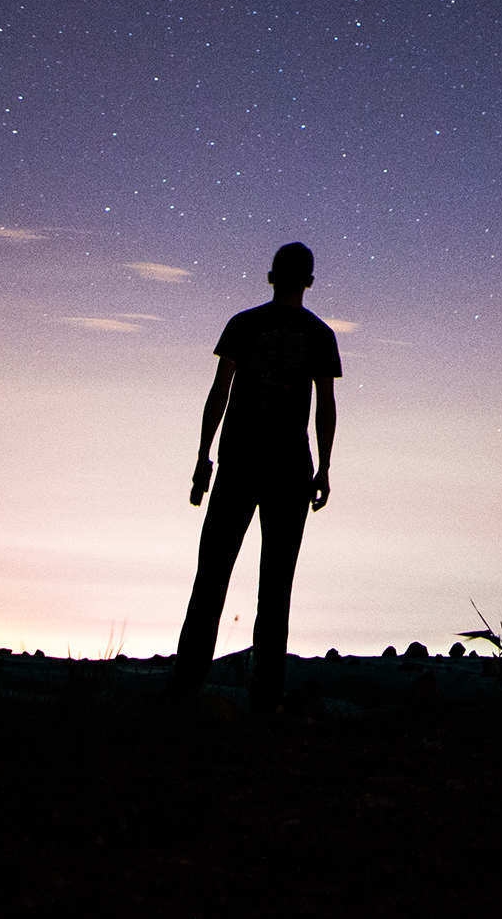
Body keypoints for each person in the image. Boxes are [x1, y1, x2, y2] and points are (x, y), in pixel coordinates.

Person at [169, 241, 340, 710]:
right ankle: (264, 700)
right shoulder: (319, 334)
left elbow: (218, 394)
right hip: (289, 468)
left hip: (240, 462)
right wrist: (324, 466)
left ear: (271, 275)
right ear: (308, 281)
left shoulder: (244, 324)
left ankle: (185, 688)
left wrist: (203, 456)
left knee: (211, 577)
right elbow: (325, 407)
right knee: (276, 586)